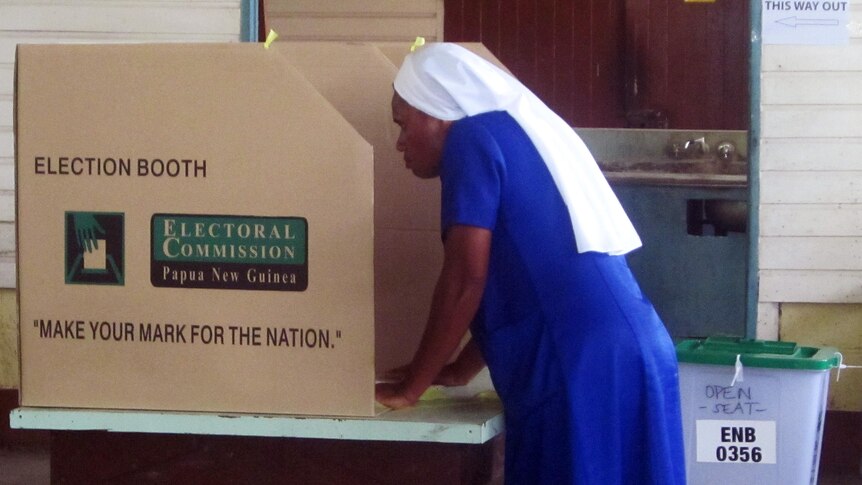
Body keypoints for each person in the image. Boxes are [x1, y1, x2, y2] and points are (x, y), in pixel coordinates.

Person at [375, 43, 686, 484]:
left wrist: (412, 388)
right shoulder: (510, 135)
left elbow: (466, 278)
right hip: (632, 351)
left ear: (439, 112)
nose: (400, 143)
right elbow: (529, 280)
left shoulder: (471, 139)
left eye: (403, 125)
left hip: (579, 364)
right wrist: (458, 370)